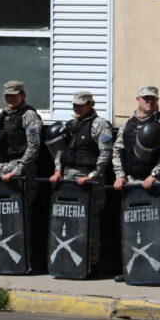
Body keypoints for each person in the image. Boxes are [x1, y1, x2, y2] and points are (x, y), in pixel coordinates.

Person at [112, 85, 160, 281]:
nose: (149, 101)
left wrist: (154, 174)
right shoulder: (128, 124)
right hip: (132, 184)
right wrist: (119, 175)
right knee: (132, 229)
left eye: (152, 98)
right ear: (138, 99)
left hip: (156, 184)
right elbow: (118, 150)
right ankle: (131, 270)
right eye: (145, 98)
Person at [49, 90, 113, 272]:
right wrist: (57, 171)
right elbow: (60, 152)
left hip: (89, 180)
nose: (76, 108)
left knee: (90, 222)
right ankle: (68, 261)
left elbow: (105, 153)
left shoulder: (100, 125)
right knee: (68, 221)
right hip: (68, 178)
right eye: (74, 104)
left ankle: (90, 264)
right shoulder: (71, 125)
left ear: (90, 105)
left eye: (81, 104)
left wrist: (92, 176)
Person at [0, 80, 42, 183]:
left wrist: (17, 170)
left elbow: (34, 146)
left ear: (23, 95)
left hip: (20, 172)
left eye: (13, 96)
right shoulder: (1, 115)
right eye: (7, 96)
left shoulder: (29, 115)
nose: (9, 99)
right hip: (0, 169)